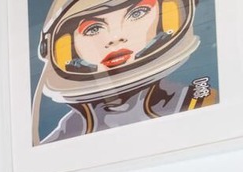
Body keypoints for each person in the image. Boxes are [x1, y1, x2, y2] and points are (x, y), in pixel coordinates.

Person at [33, 0, 217, 145]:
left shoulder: (202, 103)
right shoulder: (59, 146)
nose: (115, 37)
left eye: (137, 13)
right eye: (93, 28)